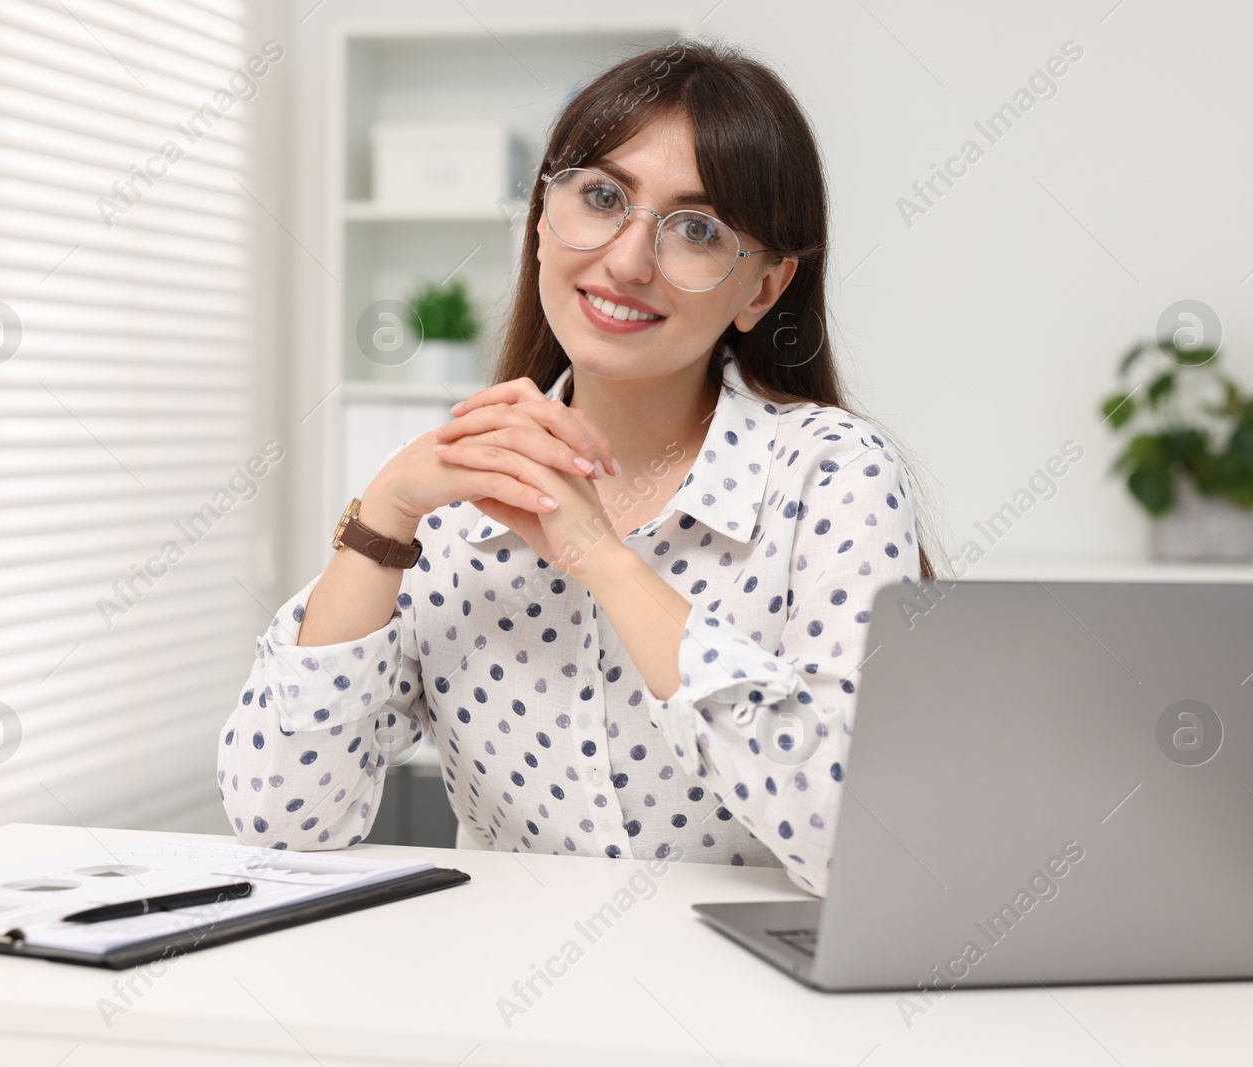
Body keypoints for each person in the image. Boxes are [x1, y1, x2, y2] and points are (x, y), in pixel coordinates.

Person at [216, 37, 941, 897]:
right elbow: (283, 814)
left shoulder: (832, 475)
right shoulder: (454, 496)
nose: (629, 261)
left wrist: (602, 556)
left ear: (762, 289)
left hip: (755, 1014)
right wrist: (381, 522)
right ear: (540, 218)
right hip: (499, 1012)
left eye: (697, 229)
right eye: (602, 197)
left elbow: (853, 838)